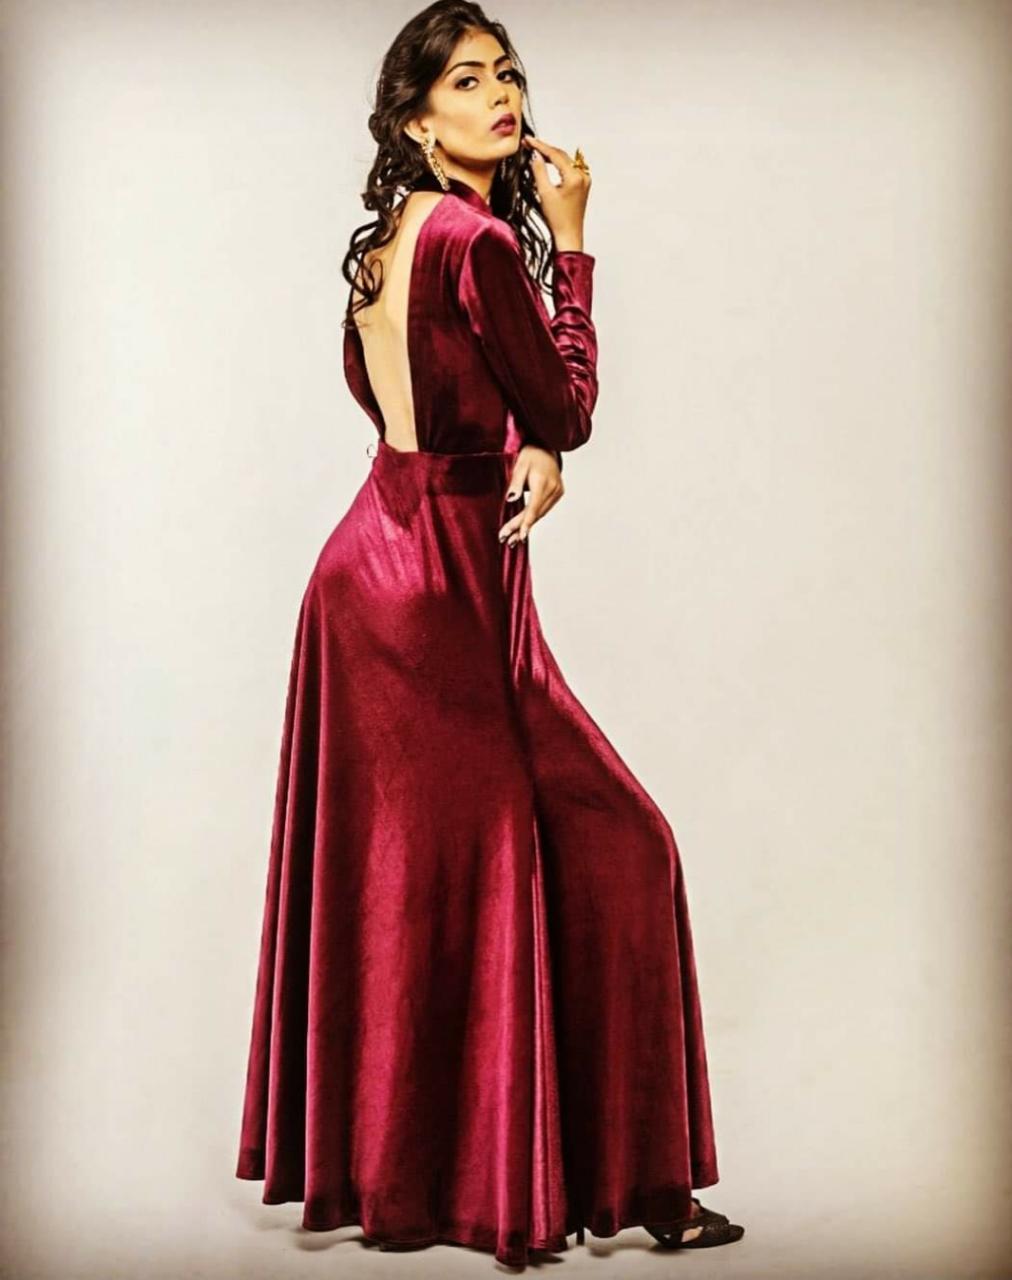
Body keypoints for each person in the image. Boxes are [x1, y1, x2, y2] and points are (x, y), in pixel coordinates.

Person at [235, 0, 744, 1267]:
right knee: (585, 850)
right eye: (464, 81)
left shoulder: (392, 237)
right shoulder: (477, 239)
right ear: (415, 120)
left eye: (506, 72)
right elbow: (564, 407)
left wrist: (521, 442)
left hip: (373, 566)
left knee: (446, 873)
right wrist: (574, 246)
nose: (500, 94)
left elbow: (432, 401)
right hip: (438, 595)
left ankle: (505, 1174)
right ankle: (573, 1183)